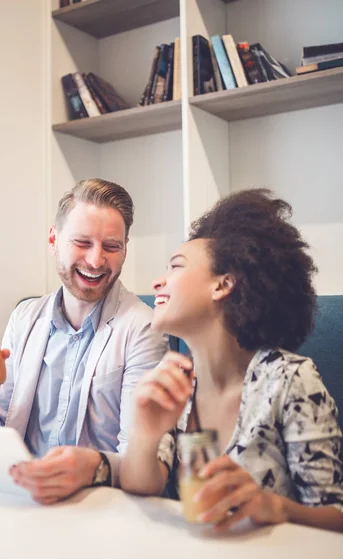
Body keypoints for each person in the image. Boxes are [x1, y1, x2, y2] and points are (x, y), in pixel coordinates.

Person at [120, 188, 343, 533]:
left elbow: (335, 517)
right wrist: (145, 434)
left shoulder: (289, 379)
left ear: (223, 285)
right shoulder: (178, 380)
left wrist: (272, 506)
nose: (157, 282)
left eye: (175, 267)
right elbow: (140, 486)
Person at [0, 178, 168, 504]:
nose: (97, 261)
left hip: (99, 506)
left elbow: (140, 460)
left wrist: (92, 468)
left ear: (125, 247)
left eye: (111, 247)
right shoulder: (25, 317)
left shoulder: (144, 327)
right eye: (82, 242)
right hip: (20, 499)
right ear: (53, 239)